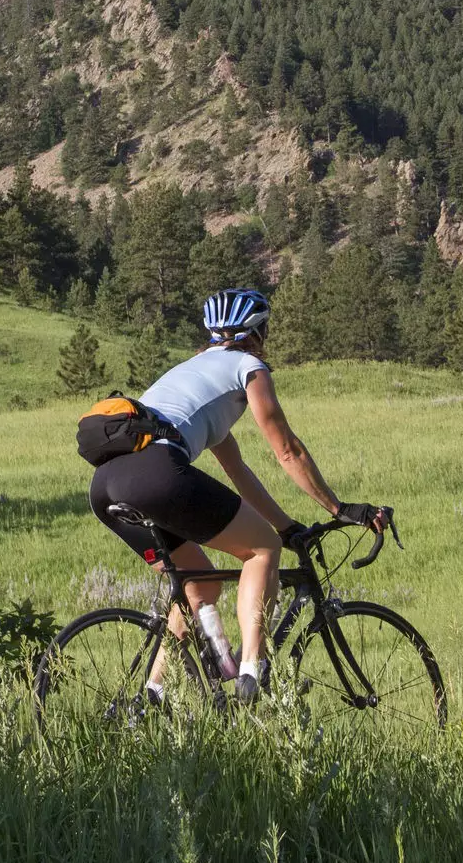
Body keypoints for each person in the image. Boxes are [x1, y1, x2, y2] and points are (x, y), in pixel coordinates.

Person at [88, 287, 388, 703]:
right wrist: (339, 508)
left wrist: (287, 526)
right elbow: (288, 449)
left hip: (105, 487)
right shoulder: (249, 367)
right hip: (156, 474)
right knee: (261, 549)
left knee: (200, 586)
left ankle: (149, 698)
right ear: (258, 333)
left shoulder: (194, 374)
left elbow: (237, 470)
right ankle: (251, 672)